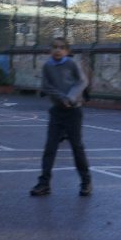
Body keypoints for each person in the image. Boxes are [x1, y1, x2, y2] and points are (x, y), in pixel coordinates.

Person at [30, 37, 92, 197]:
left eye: (62, 47)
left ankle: (86, 182)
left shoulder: (71, 64)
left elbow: (82, 81)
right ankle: (44, 184)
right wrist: (61, 98)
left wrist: (70, 98)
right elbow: (46, 86)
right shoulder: (47, 67)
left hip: (73, 111)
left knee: (77, 147)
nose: (58, 50)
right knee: (50, 148)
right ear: (50, 50)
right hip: (57, 110)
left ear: (67, 51)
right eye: (55, 47)